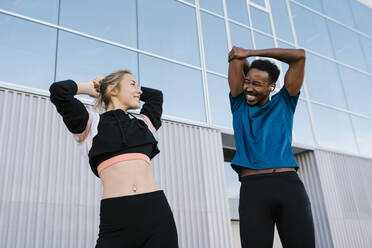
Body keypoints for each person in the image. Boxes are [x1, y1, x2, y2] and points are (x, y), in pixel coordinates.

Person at [49, 70, 178, 248]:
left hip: (157, 214)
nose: (139, 91)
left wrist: (130, 88)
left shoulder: (144, 123)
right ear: (113, 90)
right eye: (132, 84)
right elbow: (58, 91)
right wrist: (92, 87)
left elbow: (156, 96)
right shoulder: (89, 123)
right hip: (116, 217)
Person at [227, 47, 315, 248]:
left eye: (257, 84)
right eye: (247, 81)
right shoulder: (239, 104)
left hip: (288, 186)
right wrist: (244, 58)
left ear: (271, 86)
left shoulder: (285, 102)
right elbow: (235, 57)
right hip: (253, 190)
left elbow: (299, 56)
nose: (249, 88)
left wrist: (251, 53)